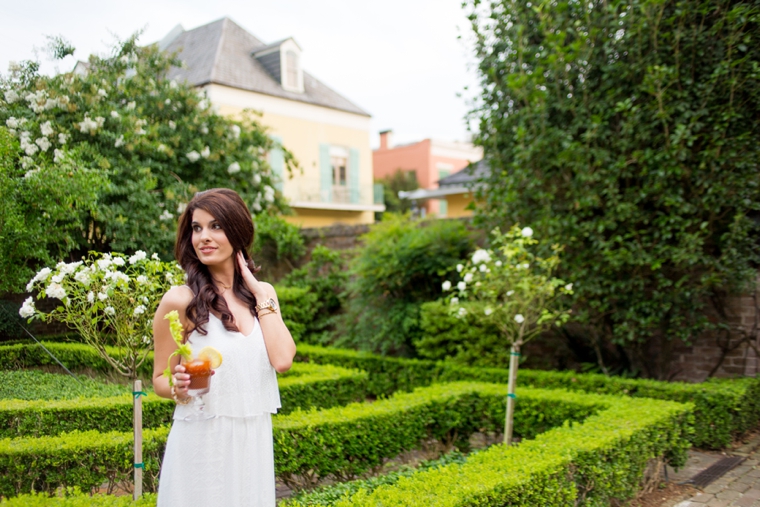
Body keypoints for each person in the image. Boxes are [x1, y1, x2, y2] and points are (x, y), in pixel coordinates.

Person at [152, 188, 296, 507]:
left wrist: (261, 296)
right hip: (202, 440)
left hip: (253, 442)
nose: (204, 236)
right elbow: (160, 379)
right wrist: (177, 387)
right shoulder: (180, 300)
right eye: (197, 227)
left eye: (216, 226)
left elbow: (283, 359)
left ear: (237, 231)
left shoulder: (264, 294)